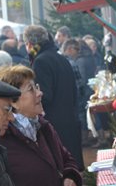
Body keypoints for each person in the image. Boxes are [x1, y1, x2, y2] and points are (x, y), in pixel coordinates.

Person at [24, 25, 84, 168]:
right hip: (69, 118)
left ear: (30, 44)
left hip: (54, 123)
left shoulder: (40, 61)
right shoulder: (60, 58)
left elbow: (45, 95)